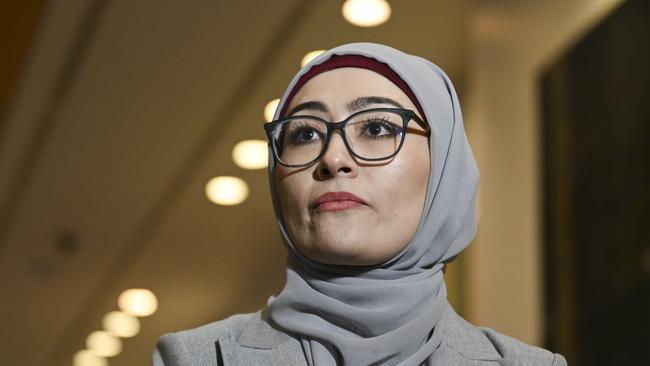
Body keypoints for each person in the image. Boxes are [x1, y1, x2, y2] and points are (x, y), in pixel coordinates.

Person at [152, 42, 567, 366]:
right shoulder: (194, 359)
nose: (333, 159)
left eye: (376, 127)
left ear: (444, 167)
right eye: (304, 134)